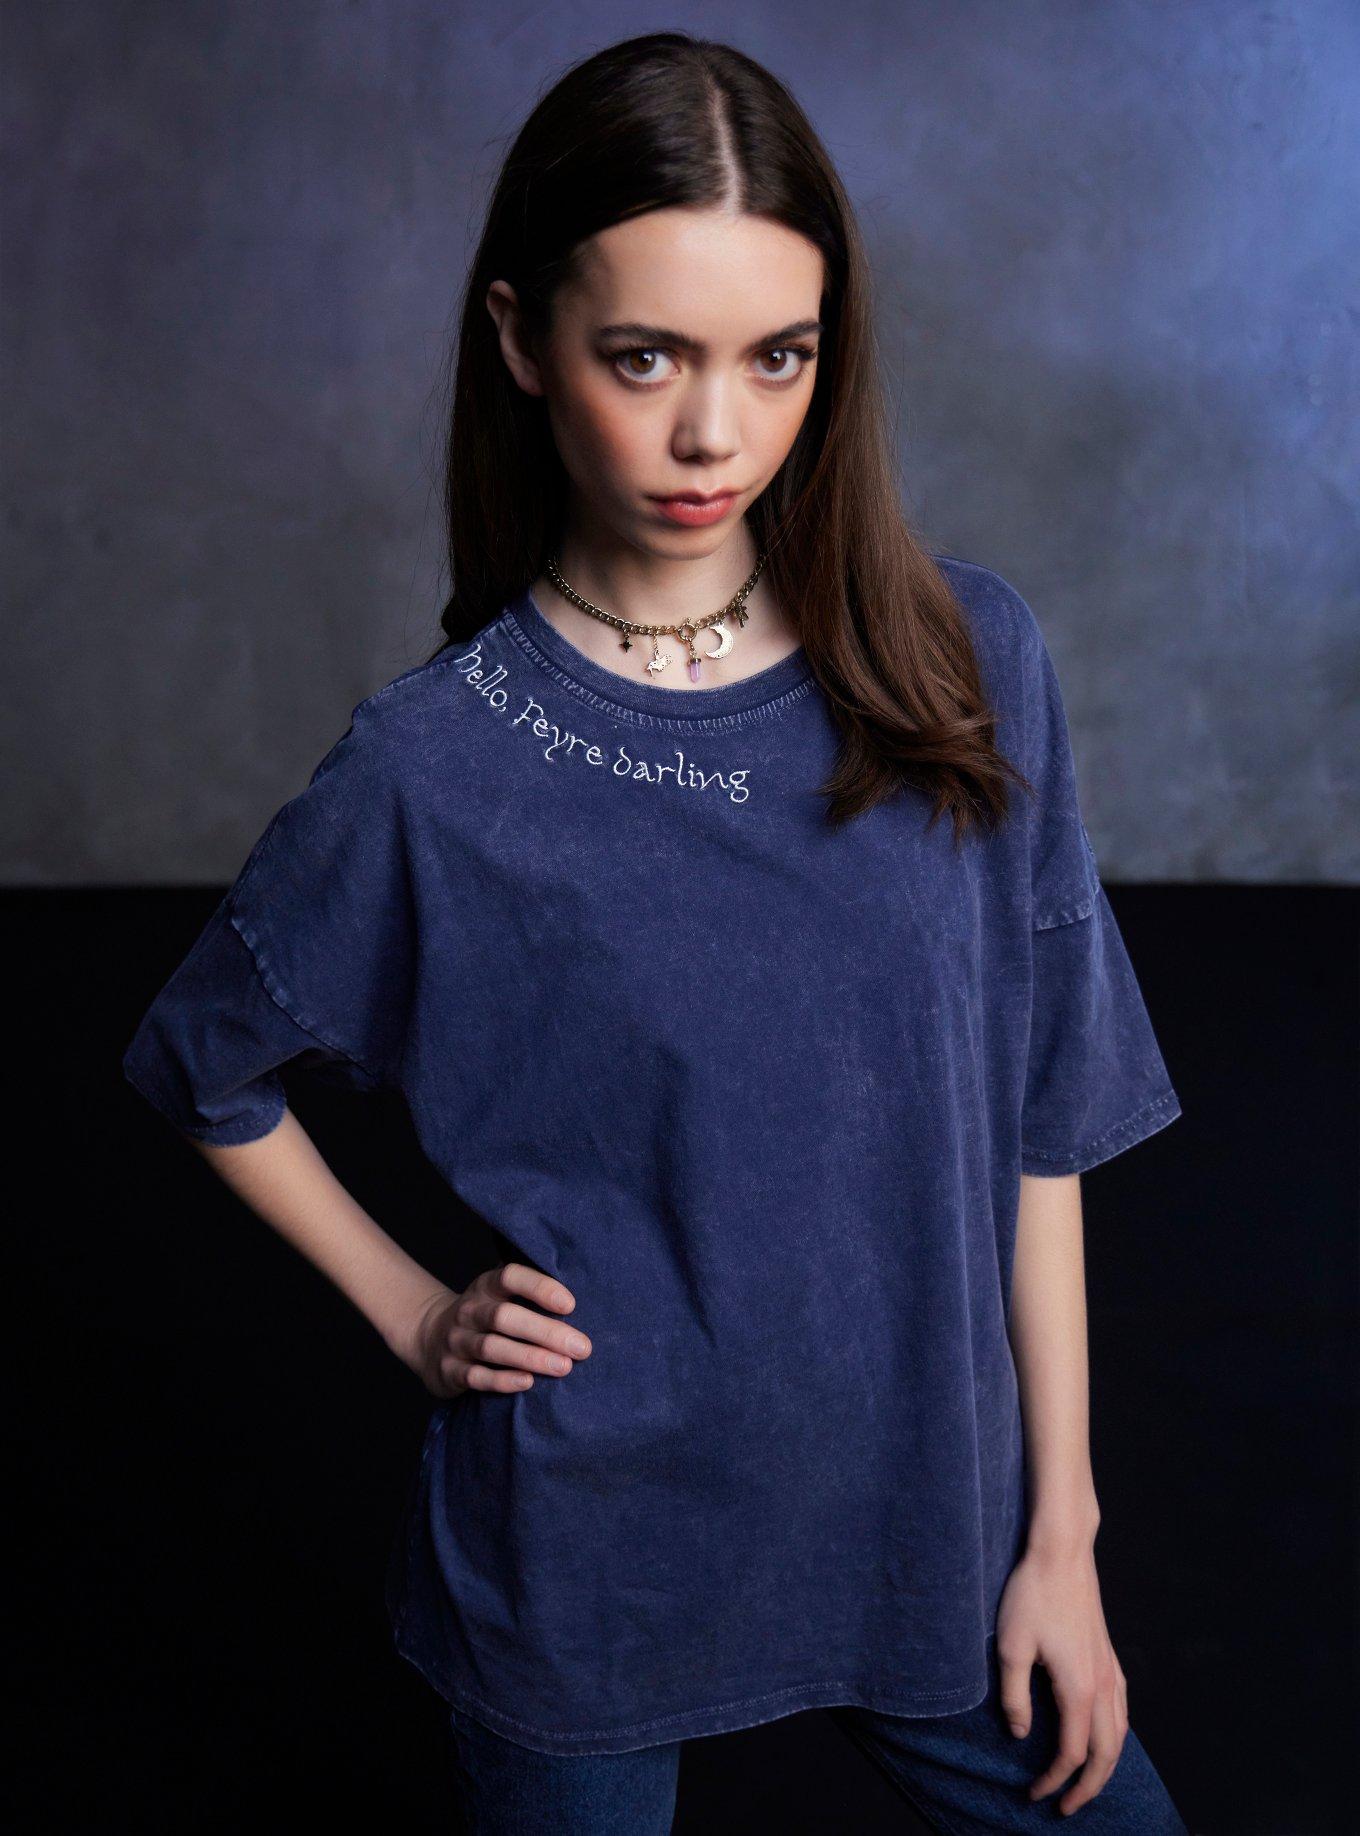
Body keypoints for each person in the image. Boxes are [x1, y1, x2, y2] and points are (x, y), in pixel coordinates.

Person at [121, 31, 1192, 1836]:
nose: (717, 433)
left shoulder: (965, 659)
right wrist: (413, 1312)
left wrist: (1062, 1539)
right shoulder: (437, 764)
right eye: (646, 357)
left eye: (778, 356)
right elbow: (199, 1059)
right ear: (522, 337)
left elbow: (1041, 1118)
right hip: (586, 1569)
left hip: (936, 1536)